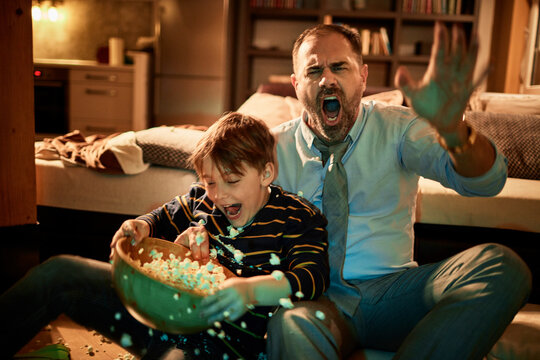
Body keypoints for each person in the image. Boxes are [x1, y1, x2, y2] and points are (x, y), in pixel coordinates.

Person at [262, 22, 532, 360]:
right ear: (296, 84)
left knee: (501, 265)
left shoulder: (400, 128)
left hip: (391, 295)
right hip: (312, 298)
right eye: (313, 70)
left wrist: (454, 133)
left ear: (362, 76)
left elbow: (486, 181)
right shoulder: (269, 148)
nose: (327, 79)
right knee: (289, 323)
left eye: (339, 67)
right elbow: (214, 199)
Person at [0, 112, 329, 359]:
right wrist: (139, 226)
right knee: (60, 272)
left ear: (265, 173)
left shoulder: (298, 217)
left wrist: (248, 291)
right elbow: (161, 217)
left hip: (225, 345)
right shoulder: (203, 199)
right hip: (158, 314)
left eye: (231, 180)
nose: (219, 195)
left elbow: (312, 277)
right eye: (210, 181)